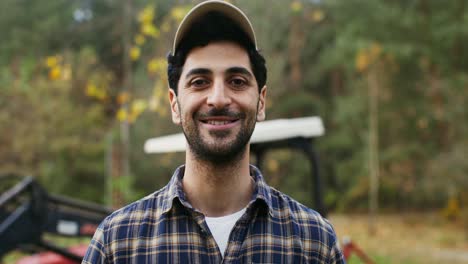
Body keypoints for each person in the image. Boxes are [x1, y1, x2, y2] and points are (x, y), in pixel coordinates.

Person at [83, 1, 345, 263]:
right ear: (175, 104)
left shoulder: (315, 243)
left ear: (261, 102)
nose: (218, 99)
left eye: (237, 82)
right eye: (199, 82)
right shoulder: (117, 244)